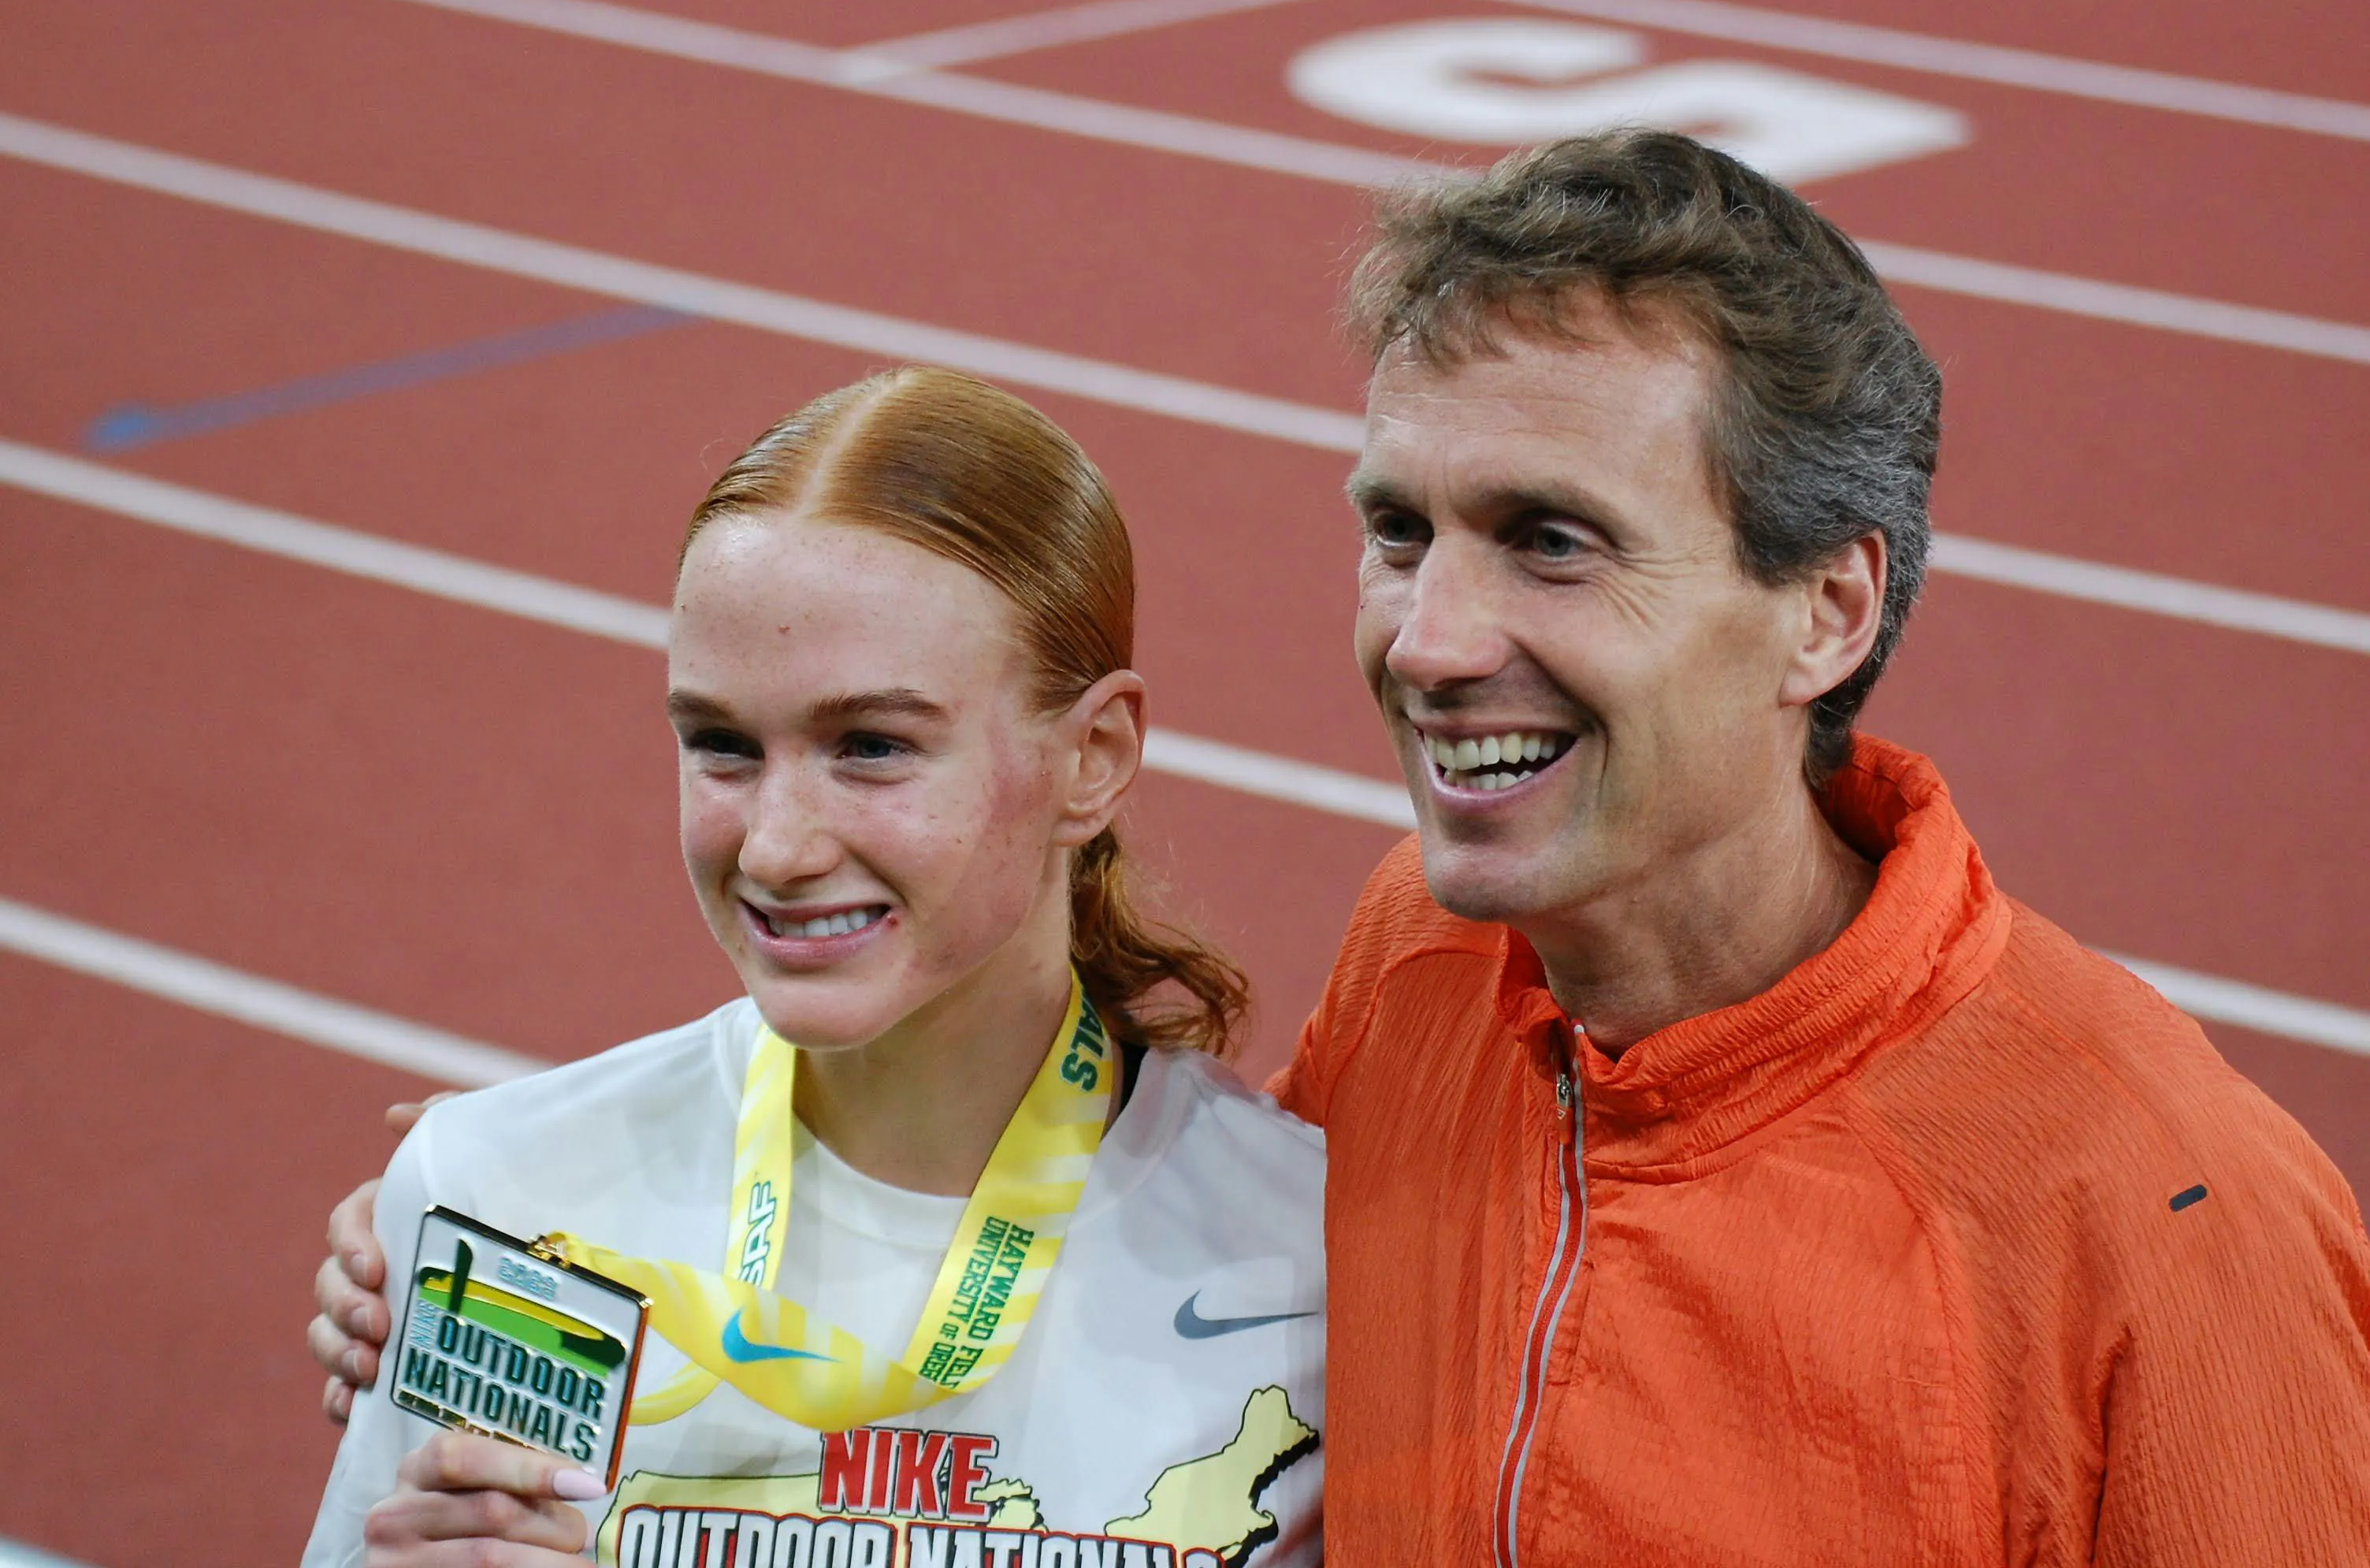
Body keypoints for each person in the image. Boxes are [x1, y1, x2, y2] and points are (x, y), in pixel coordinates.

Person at [316, 132, 2370, 1564]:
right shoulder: (1436, 965)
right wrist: (477, 1259)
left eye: (1549, 540)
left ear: (1827, 609)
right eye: (1401, 528)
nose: (1429, 639)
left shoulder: (2160, 1216)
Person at [303, 366, 1325, 1568]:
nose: (778, 847)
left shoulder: (1317, 1257)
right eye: (723, 746)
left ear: (1093, 756)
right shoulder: (504, 1202)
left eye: (873, 747)